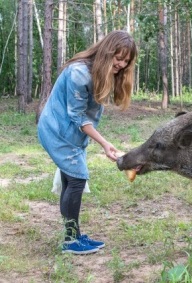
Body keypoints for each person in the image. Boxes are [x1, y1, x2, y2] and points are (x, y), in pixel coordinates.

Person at [37, 30, 138, 254]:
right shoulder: (79, 73)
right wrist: (105, 144)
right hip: (57, 130)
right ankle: (71, 242)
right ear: (107, 51)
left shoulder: (98, 71)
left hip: (69, 131)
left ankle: (73, 236)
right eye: (118, 58)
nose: (121, 64)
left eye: (126, 61)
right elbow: (77, 116)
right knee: (77, 180)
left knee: (70, 178)